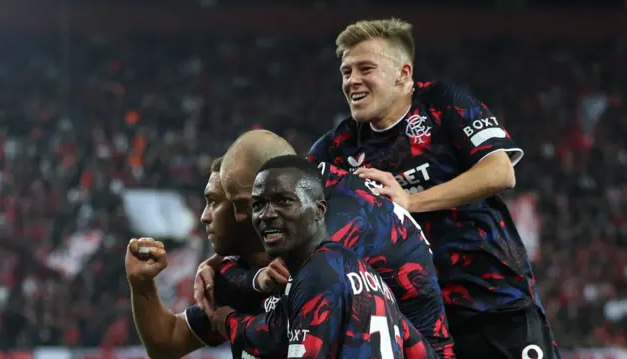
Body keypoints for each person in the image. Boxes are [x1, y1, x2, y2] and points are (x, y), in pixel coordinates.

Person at [307, 18, 559, 359]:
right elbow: (292, 199)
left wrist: (410, 201)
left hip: (494, 304)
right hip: (417, 325)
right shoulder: (338, 146)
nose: (352, 80)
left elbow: (500, 171)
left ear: (403, 74)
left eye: (365, 68)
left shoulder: (443, 104)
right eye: (346, 71)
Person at [197, 130, 453, 358]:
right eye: (255, 205)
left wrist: (229, 320)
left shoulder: (331, 248)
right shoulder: (321, 201)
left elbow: (279, 332)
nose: (241, 218)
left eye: (244, 203)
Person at [126, 157, 274, 359]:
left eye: (214, 202)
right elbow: (166, 343)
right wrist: (141, 285)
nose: (204, 216)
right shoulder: (235, 283)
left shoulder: (314, 269)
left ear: (245, 206)